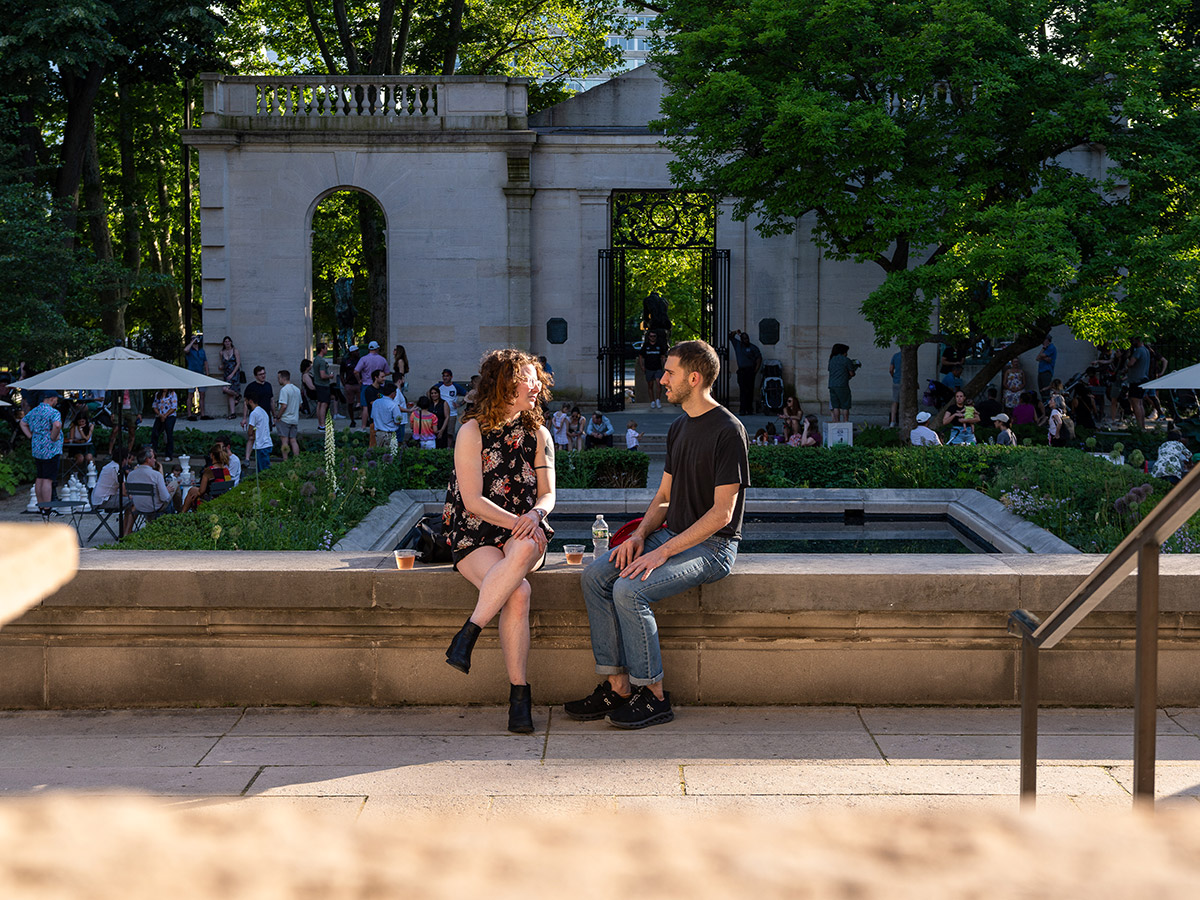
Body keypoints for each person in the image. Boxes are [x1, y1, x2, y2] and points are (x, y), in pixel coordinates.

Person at [566, 339, 748, 729]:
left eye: (670, 372)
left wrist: (661, 553)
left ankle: (654, 696)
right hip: (671, 534)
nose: (661, 379)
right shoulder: (679, 426)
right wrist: (639, 537)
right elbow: (665, 496)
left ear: (694, 378)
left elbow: (721, 514)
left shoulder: (729, 431)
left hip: (713, 548)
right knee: (595, 576)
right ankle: (618, 687)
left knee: (630, 590)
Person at [442, 349, 556, 734]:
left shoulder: (539, 434)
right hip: (475, 531)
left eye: (537, 377)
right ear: (502, 384)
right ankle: (519, 697)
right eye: (527, 378)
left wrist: (534, 517)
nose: (536, 385)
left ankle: (469, 632)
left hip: (527, 531)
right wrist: (520, 522)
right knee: (518, 592)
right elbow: (472, 500)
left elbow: (549, 495)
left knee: (523, 548)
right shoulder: (471, 431)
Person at [21, 391, 63, 505]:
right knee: (48, 479)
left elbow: (23, 423)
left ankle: (41, 506)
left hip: (37, 448)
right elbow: (57, 425)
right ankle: (47, 507)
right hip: (50, 449)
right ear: (52, 399)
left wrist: (30, 436)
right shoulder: (53, 412)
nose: (57, 401)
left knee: (40, 477)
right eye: (56, 399)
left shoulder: (34, 411)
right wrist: (53, 437)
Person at [181, 442, 232, 513]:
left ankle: (182, 513)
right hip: (222, 499)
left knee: (191, 491)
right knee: (193, 490)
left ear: (212, 455)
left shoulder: (209, 470)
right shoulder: (226, 471)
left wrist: (195, 492)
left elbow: (201, 491)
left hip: (210, 500)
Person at [126, 446, 178, 516]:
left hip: (138, 507)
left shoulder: (130, 475)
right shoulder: (156, 475)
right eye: (153, 458)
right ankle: (180, 511)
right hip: (154, 507)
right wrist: (166, 491)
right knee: (175, 483)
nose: (155, 460)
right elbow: (165, 498)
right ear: (148, 459)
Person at [354, 341, 390, 428]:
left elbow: (356, 371)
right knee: (380, 405)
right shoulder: (382, 359)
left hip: (366, 384)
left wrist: (359, 380)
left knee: (365, 406)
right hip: (379, 386)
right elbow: (387, 372)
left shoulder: (364, 359)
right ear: (377, 348)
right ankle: (380, 424)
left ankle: (363, 426)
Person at [729, 329, 762, 415]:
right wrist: (736, 332)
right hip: (742, 371)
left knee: (750, 391)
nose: (746, 340)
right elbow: (730, 336)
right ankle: (742, 409)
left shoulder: (753, 347)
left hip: (750, 370)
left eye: (747, 338)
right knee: (743, 390)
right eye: (744, 338)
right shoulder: (738, 345)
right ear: (741, 339)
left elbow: (759, 358)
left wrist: (755, 370)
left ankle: (749, 409)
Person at [275, 370, 302, 461]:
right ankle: (297, 460)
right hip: (294, 419)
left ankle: (285, 460)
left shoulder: (284, 390)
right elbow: (300, 405)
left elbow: (284, 405)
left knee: (284, 441)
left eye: (279, 378)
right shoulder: (297, 389)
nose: (278, 380)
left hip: (285, 419)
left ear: (283, 378)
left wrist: (278, 416)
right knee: (293, 440)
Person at [1126, 337, 1152, 431]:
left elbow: (1130, 364)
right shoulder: (1146, 350)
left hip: (1136, 380)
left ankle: (1139, 427)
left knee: (1136, 403)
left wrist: (1128, 357)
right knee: (1140, 403)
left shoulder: (1139, 351)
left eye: (1134, 340)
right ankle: (1142, 426)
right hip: (1143, 378)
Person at [371, 381, 402, 454]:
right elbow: (398, 421)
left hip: (378, 433)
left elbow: (372, 416)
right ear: (393, 393)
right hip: (389, 434)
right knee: (389, 456)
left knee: (379, 455)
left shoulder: (375, 403)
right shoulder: (394, 405)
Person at [827, 343, 855, 423]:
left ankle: (837, 422)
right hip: (842, 385)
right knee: (845, 406)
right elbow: (851, 373)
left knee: (836, 406)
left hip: (832, 385)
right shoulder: (846, 360)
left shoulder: (831, 360)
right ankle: (846, 422)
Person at [244, 394, 272, 472]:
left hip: (261, 445)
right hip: (266, 443)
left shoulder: (254, 413)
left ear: (250, 401)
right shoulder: (263, 411)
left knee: (262, 471)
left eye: (246, 402)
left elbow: (250, 431)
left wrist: (248, 430)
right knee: (265, 468)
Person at [184, 334, 208, 420]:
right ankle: (189, 415)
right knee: (190, 394)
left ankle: (202, 414)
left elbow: (205, 362)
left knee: (202, 394)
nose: (195, 340)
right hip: (191, 374)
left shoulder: (202, 351)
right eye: (193, 338)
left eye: (196, 338)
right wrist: (192, 342)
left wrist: (207, 373)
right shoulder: (190, 350)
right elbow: (185, 350)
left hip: (201, 374)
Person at [639, 330, 666, 408]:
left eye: (654, 336)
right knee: (650, 385)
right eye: (651, 336)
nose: (652, 338)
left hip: (658, 368)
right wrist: (642, 366)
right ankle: (652, 401)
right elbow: (640, 356)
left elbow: (663, 356)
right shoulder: (646, 346)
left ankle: (658, 400)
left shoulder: (659, 345)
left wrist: (664, 366)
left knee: (658, 384)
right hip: (649, 368)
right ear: (649, 337)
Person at [312, 342, 336, 427]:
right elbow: (322, 375)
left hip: (318, 384)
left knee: (320, 403)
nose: (327, 350)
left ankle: (320, 423)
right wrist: (330, 376)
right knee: (324, 404)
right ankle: (322, 424)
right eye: (326, 348)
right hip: (323, 385)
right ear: (322, 349)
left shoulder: (316, 360)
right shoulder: (321, 361)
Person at [150, 389, 178, 460]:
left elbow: (174, 407)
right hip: (159, 416)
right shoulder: (157, 394)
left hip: (170, 416)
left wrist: (165, 415)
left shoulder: (172, 394)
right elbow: (154, 405)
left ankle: (168, 454)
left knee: (169, 434)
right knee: (155, 434)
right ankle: (153, 453)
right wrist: (160, 415)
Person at [219, 336, 242, 418]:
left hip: (234, 373)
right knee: (227, 392)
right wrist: (221, 366)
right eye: (225, 341)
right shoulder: (222, 352)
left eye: (228, 341)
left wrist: (232, 374)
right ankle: (233, 412)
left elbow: (238, 363)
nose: (227, 343)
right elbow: (222, 363)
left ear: (231, 342)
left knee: (228, 390)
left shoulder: (235, 351)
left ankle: (237, 395)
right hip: (226, 373)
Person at [438, 369, 462, 446]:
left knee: (450, 433)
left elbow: (467, 394)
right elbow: (429, 392)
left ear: (451, 377)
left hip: (452, 413)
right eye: (444, 376)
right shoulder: (439, 386)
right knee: (440, 430)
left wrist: (460, 404)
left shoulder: (455, 386)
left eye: (447, 376)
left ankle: (448, 448)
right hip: (441, 413)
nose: (445, 378)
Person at [1036, 334, 1057, 398]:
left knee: (1046, 391)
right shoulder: (1045, 349)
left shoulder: (1051, 347)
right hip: (1041, 372)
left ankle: (1047, 405)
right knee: (1041, 390)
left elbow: (1041, 356)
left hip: (1046, 372)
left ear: (1047, 340)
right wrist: (1043, 357)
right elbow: (1037, 358)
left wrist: (1043, 348)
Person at [888, 349, 902, 427]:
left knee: (895, 401)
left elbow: (891, 369)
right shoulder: (908, 356)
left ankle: (892, 421)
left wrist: (894, 377)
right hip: (907, 382)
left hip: (897, 381)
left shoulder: (896, 356)